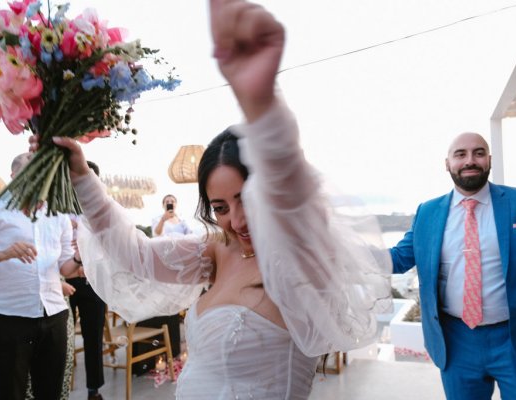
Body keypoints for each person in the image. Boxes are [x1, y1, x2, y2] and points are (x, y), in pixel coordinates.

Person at [32, 1, 392, 399]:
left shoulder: (299, 259)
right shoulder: (217, 252)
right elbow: (135, 254)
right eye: (220, 207)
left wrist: (261, 102)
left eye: (247, 201)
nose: (236, 221)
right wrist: (82, 176)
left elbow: (292, 189)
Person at [389, 132, 516, 400]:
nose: (470, 160)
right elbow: (398, 258)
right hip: (456, 342)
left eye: (478, 153)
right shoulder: (427, 212)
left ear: (489, 159)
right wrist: (340, 258)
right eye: (460, 154)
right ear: (447, 163)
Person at [0, 153, 83, 400]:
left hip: (54, 314)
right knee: (9, 391)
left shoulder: (58, 215)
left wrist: (79, 259)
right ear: (14, 177)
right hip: (10, 315)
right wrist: (4, 254)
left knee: (51, 390)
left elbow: (65, 268)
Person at [64, 161, 106, 400]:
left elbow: (107, 246)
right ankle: (60, 386)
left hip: (93, 281)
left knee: (93, 337)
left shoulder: (101, 211)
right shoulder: (58, 209)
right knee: (62, 340)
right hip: (65, 280)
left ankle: (94, 390)